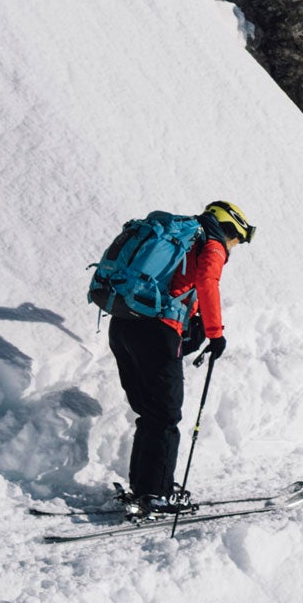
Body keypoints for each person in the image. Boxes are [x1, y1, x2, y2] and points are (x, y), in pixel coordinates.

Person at [110, 200, 250, 514]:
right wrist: (215, 333)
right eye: (236, 240)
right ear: (229, 228)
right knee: (165, 415)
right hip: (156, 332)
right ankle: (156, 495)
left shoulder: (180, 236)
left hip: (122, 325)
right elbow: (207, 283)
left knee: (151, 413)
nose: (233, 248)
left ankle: (144, 489)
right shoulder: (211, 245)